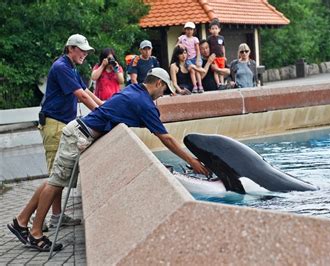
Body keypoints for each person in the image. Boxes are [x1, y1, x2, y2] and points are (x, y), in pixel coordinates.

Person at [7, 68, 209, 252]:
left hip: (77, 132)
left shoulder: (133, 90)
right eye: (165, 90)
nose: (163, 94)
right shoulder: (143, 103)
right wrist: (192, 161)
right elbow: (166, 138)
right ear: (158, 83)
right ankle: (35, 233)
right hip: (79, 136)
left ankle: (21, 221)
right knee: (56, 183)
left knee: (54, 180)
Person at [28, 34, 103, 234]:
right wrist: (101, 113)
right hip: (54, 125)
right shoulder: (61, 67)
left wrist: (103, 106)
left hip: (61, 123)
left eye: (87, 50)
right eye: (82, 50)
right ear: (70, 48)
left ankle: (56, 216)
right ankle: (36, 219)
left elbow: (86, 90)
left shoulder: (70, 67)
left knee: (59, 174)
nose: (85, 54)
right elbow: (80, 96)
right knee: (55, 176)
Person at [178, 22, 204, 93]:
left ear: (193, 30)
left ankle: (200, 86)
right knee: (192, 71)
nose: (189, 31)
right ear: (185, 30)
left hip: (195, 57)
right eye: (187, 29)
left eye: (191, 29)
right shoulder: (182, 38)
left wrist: (198, 59)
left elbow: (197, 50)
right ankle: (195, 86)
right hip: (187, 59)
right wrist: (179, 45)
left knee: (197, 71)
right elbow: (177, 45)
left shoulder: (195, 39)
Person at [207, 18, 226, 89]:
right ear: (210, 30)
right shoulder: (209, 38)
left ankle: (222, 83)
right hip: (214, 58)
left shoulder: (222, 38)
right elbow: (208, 48)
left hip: (221, 57)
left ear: (219, 29)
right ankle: (218, 84)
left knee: (221, 71)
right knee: (215, 71)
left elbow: (223, 47)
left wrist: (224, 56)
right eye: (212, 28)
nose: (214, 30)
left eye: (216, 28)